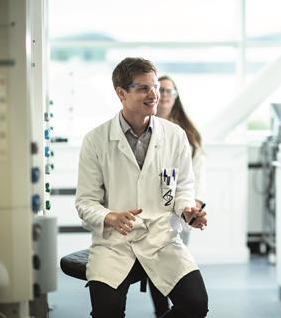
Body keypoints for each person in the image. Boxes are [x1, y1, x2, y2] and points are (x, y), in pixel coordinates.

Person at [75, 57, 209, 318]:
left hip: (161, 238)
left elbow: (182, 187)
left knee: (195, 304)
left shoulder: (175, 135)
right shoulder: (96, 140)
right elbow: (85, 202)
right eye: (144, 88)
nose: (154, 94)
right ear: (121, 93)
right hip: (115, 243)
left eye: (156, 87)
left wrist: (187, 210)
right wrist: (110, 217)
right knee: (107, 312)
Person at [156, 75, 206, 245]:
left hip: (183, 199)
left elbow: (197, 170)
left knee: (178, 251)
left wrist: (196, 201)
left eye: (169, 91)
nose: (164, 94)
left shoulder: (187, 132)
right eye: (160, 89)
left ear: (175, 96)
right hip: (155, 202)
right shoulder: (144, 127)